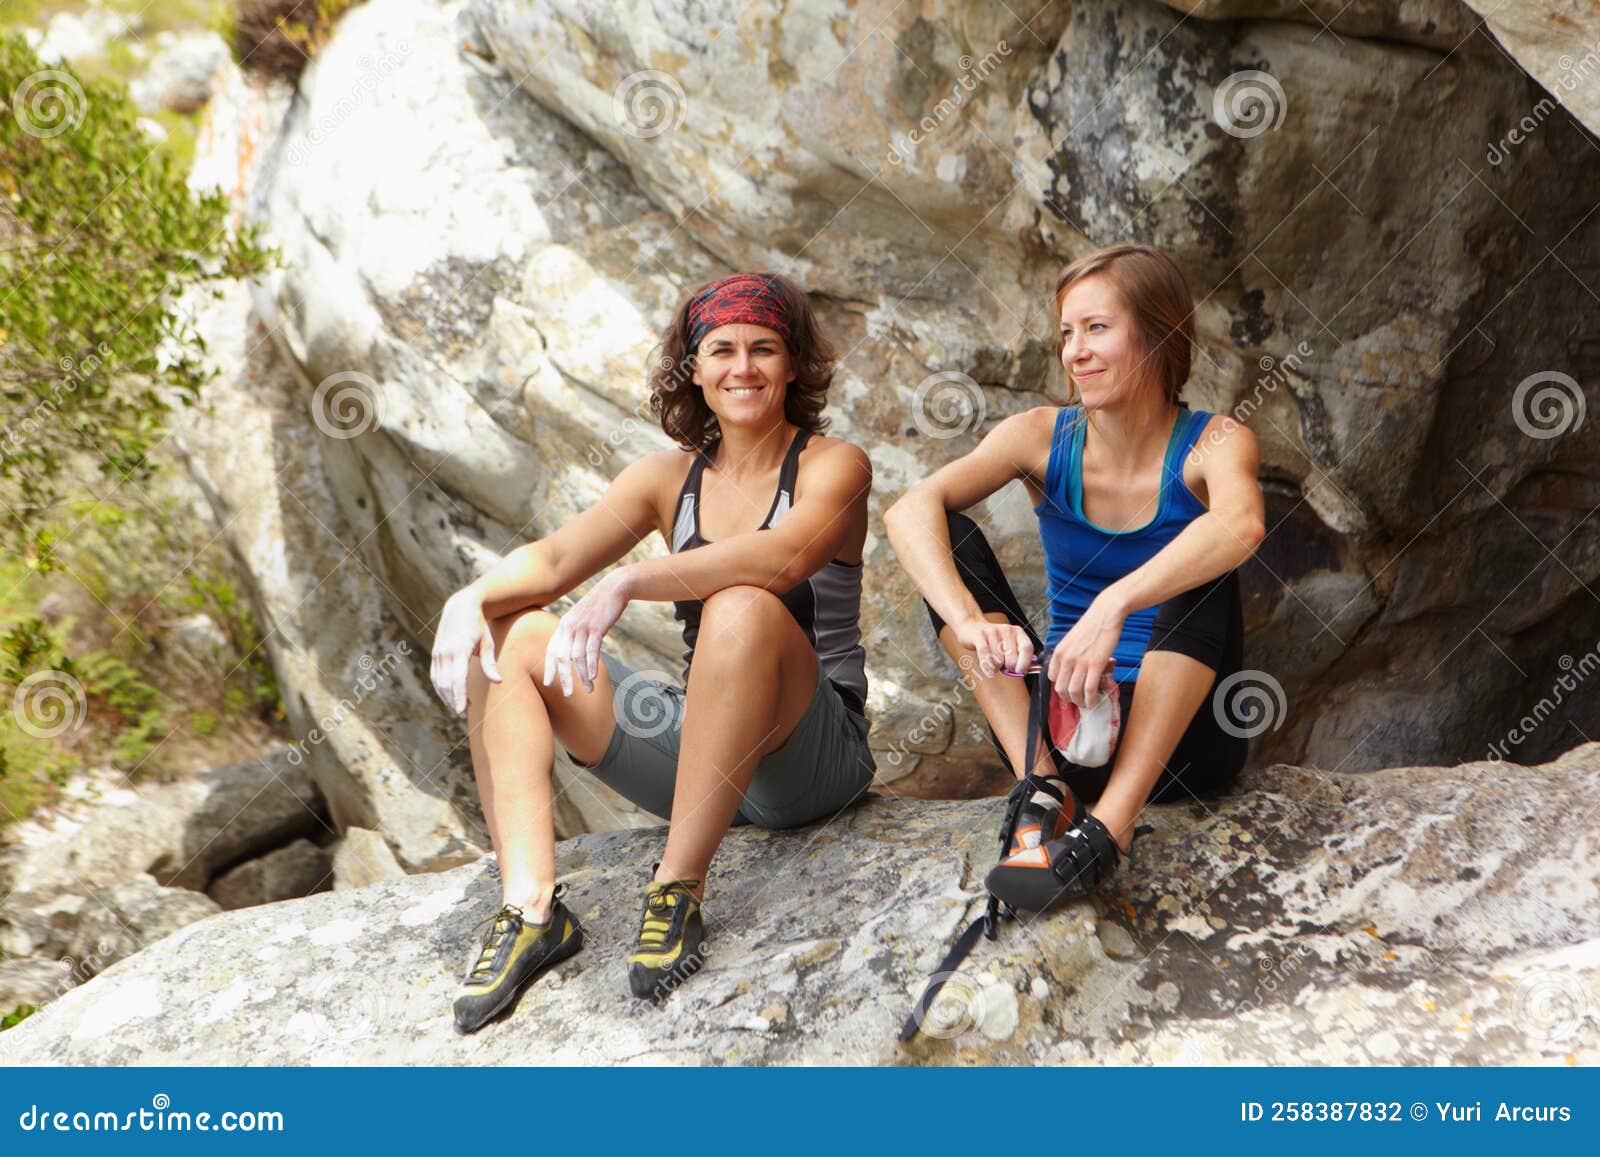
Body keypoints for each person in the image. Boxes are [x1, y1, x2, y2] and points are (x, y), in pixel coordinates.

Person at [431, 272, 875, 1030]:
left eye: (764, 349)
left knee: (742, 606)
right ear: (693, 368)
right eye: (723, 349)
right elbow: (554, 559)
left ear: (793, 364)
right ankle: (532, 910)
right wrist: (468, 598)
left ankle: (677, 890)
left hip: (813, 753)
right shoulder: (669, 478)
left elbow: (782, 558)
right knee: (511, 634)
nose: (743, 368)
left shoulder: (834, 465)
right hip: (708, 745)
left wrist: (632, 579)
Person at [883, 242, 1265, 913]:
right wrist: (970, 622)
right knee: (951, 541)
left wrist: (1115, 604)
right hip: (1069, 729)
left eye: (1097, 328)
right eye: (1066, 332)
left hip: (1184, 749)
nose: (1075, 352)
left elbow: (1242, 525)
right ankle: (1043, 790)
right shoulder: (1038, 436)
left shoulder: (1217, 441)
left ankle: (1108, 829)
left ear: (1158, 332)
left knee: (1205, 552)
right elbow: (909, 509)